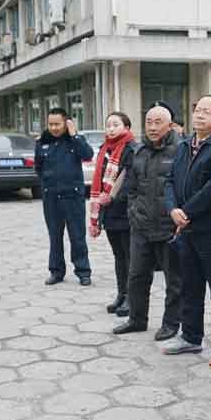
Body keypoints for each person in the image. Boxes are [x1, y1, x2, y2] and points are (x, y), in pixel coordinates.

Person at [163, 95, 211, 362]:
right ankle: (191, 337)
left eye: (207, 111)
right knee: (190, 286)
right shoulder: (185, 144)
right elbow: (170, 180)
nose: (199, 115)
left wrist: (186, 212)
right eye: (197, 110)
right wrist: (172, 209)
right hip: (185, 229)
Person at [113, 102, 183, 341]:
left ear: (170, 125)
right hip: (141, 226)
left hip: (168, 228)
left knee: (174, 281)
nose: (152, 127)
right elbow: (131, 188)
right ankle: (137, 319)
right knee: (136, 276)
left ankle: (171, 324)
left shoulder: (181, 151)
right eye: (149, 122)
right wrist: (133, 212)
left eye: (158, 122)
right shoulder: (139, 151)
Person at [36, 108, 94, 286]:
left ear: (66, 123)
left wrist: (74, 134)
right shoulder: (42, 142)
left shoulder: (74, 141)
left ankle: (83, 271)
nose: (54, 128)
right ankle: (56, 271)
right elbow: (38, 168)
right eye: (51, 124)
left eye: (57, 124)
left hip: (72, 196)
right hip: (51, 197)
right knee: (55, 236)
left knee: (77, 236)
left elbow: (88, 155)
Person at [89, 111, 136, 318]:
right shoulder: (104, 149)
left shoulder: (131, 149)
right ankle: (121, 294)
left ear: (127, 127)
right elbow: (99, 180)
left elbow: (131, 180)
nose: (111, 128)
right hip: (109, 212)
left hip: (125, 211)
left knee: (129, 257)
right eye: (108, 125)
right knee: (119, 256)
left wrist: (114, 197)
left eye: (116, 124)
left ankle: (132, 299)